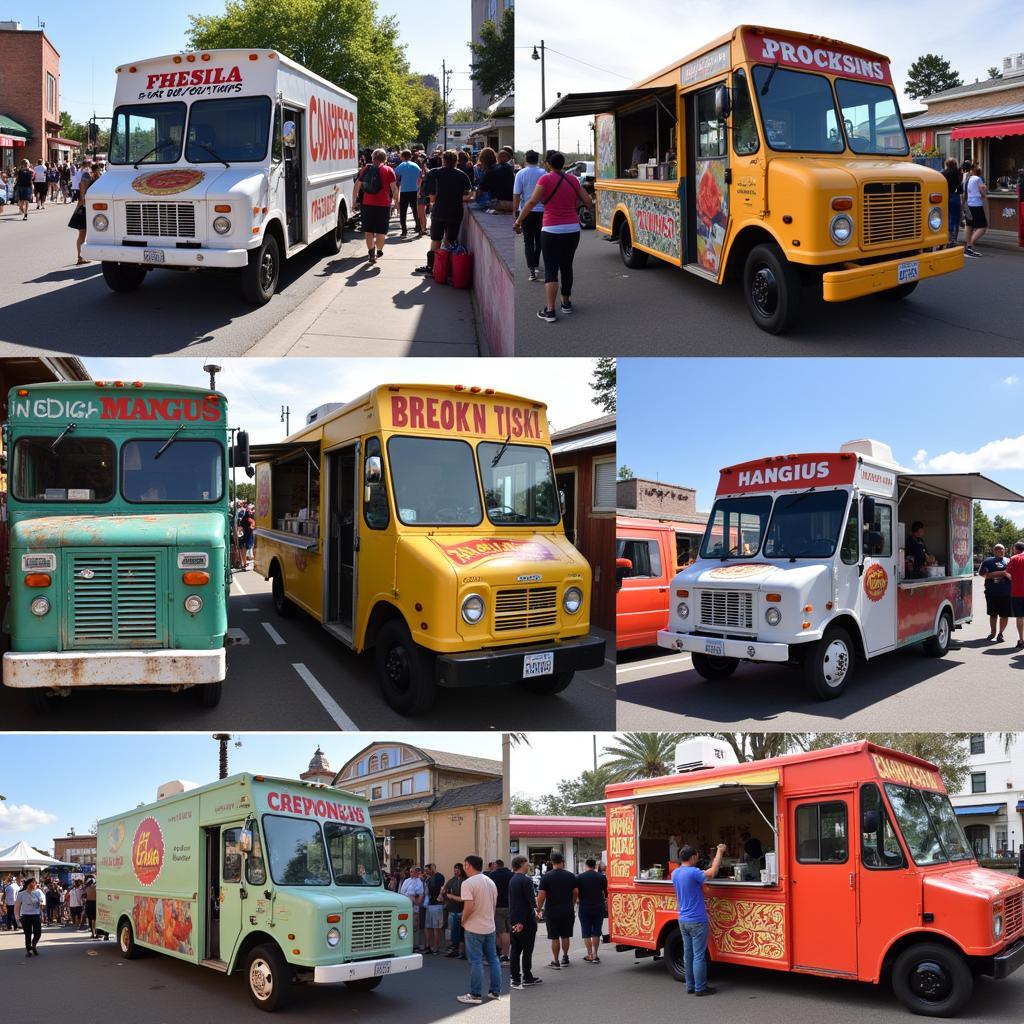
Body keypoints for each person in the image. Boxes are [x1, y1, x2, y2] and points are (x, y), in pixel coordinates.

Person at [513, 151, 593, 323]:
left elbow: (532, 202)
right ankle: (566, 303)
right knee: (566, 266)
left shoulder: (545, 179)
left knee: (551, 269)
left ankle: (550, 311)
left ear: (548, 164)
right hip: (572, 229)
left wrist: (518, 221)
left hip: (551, 230)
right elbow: (588, 202)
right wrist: (573, 205)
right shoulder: (573, 180)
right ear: (563, 164)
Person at [672, 842, 727, 996]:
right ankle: (700, 988)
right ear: (694, 857)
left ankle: (690, 986)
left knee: (687, 955)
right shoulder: (693, 872)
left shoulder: (676, 873)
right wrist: (720, 852)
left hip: (682, 919)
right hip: (697, 920)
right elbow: (713, 872)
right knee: (698, 956)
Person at [414, 150, 472, 276]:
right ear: (456, 160)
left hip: (439, 211)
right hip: (455, 211)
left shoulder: (435, 173)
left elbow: (431, 195)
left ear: (443, 160)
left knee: (436, 239)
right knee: (450, 240)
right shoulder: (462, 175)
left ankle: (432, 266)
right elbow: (468, 194)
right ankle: (449, 268)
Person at [456, 855, 501, 1005]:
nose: (463, 868)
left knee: (476, 961)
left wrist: (462, 921)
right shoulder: (490, 881)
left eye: (464, 865)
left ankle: (475, 994)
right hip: (489, 926)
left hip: (474, 927)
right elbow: (493, 906)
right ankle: (495, 991)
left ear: (468, 865)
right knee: (493, 959)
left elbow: (468, 906)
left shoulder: (468, 883)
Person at [357, 148, 399, 266]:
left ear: (373, 158)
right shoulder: (389, 170)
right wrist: (396, 202)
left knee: (369, 231)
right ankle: (379, 251)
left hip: (367, 204)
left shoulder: (366, 168)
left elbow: (357, 185)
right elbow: (394, 189)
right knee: (381, 231)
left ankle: (371, 252)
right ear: (385, 158)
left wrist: (354, 201)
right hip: (383, 205)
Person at [536, 851, 577, 969]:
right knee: (565, 935)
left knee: (554, 937)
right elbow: (575, 893)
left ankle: (556, 961)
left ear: (551, 862)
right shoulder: (570, 876)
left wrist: (538, 909)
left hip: (552, 911)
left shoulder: (546, 877)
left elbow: (541, 896)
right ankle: (565, 957)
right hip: (567, 910)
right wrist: (572, 903)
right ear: (562, 861)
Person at [508, 855, 542, 989]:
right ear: (522, 864)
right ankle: (527, 976)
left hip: (514, 918)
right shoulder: (525, 880)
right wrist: (535, 914)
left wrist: (515, 921)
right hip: (525, 921)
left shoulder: (513, 880)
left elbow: (515, 903)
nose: (528, 866)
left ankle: (515, 977)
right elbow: (529, 902)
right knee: (527, 950)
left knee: (515, 950)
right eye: (527, 864)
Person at [513, 150, 546, 282]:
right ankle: (536, 264)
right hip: (542, 211)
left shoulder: (520, 173)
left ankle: (531, 269)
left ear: (526, 159)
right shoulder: (544, 173)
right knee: (539, 240)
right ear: (538, 159)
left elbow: (516, 194)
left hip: (525, 211)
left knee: (528, 241)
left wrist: (515, 212)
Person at [575, 858, 607, 964]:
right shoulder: (601, 877)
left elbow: (577, 893)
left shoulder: (580, 877)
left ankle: (589, 955)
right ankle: (596, 954)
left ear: (586, 865)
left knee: (586, 932)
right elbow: (605, 893)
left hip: (584, 908)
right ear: (595, 865)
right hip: (598, 907)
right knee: (596, 932)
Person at [980, 542, 1012, 642]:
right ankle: (992, 632)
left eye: (1001, 549)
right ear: (994, 551)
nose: (999, 550)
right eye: (997, 549)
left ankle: (1000, 633)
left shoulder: (1010, 561)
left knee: (1004, 615)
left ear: (1004, 550)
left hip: (1006, 593)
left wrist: (995, 574)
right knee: (993, 614)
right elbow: (985, 575)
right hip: (991, 593)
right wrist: (1003, 573)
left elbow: (1013, 576)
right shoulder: (988, 561)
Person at [70, 162, 99, 265]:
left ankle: (82, 256)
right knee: (82, 233)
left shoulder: (93, 176)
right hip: (83, 208)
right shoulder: (87, 175)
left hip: (87, 207)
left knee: (84, 233)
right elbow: (83, 190)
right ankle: (80, 257)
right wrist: (83, 202)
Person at [488, 858, 513, 961]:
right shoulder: (512, 874)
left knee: (501, 932)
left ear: (496, 865)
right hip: (511, 906)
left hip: (498, 907)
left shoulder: (492, 876)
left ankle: (505, 954)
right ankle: (506, 952)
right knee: (508, 931)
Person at [394, 149, 422, 238]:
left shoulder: (401, 165)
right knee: (415, 210)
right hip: (414, 190)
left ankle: (404, 230)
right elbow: (420, 177)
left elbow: (396, 176)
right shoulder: (416, 165)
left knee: (403, 211)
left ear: (403, 156)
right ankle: (418, 226)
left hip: (404, 191)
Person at [15, 877, 44, 956]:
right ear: (27, 885)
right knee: (28, 933)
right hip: (25, 915)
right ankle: (29, 950)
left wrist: (40, 903)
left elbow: (42, 902)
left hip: (36, 914)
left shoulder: (38, 892)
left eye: (34, 883)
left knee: (38, 933)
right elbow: (17, 906)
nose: (34, 885)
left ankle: (33, 945)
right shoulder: (21, 894)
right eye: (32, 883)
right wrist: (17, 918)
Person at [964, 161, 988, 257]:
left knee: (969, 225)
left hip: (967, 204)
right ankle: (970, 246)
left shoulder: (966, 178)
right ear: (973, 168)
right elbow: (983, 194)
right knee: (983, 226)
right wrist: (984, 190)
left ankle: (968, 246)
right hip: (976, 204)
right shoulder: (977, 179)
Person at [399, 865, 425, 951]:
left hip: (415, 906)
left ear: (417, 873)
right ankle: (406, 943)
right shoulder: (406, 881)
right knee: (406, 925)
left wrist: (416, 901)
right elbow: (402, 892)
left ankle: (415, 944)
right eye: (410, 872)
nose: (411, 873)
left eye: (413, 872)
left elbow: (421, 894)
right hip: (406, 905)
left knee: (415, 925)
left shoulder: (419, 882)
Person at [444, 863, 467, 958]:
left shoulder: (465, 881)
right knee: (453, 931)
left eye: (458, 870)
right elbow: (445, 891)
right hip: (452, 909)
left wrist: (451, 896)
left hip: (462, 910)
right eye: (455, 869)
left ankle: (463, 952)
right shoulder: (451, 881)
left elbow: (464, 898)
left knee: (462, 932)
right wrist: (443, 893)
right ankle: (454, 950)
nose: (456, 871)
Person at [1006, 540, 1024, 650]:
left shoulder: (1014, 558)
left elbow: (1007, 573)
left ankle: (1021, 640)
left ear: (1015, 549)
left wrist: (1014, 580)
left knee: (1020, 617)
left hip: (1017, 592)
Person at [424, 863, 445, 954]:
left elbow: (435, 887)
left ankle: (436, 947)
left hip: (437, 905)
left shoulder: (439, 877)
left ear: (432, 868)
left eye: (427, 870)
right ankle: (428, 946)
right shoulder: (428, 879)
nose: (426, 872)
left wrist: (427, 881)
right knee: (428, 926)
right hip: (429, 905)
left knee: (436, 928)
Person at [942, 157, 963, 248]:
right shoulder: (958, 173)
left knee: (948, 217)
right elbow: (960, 188)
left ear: (946, 164)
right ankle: (954, 239)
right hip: (955, 196)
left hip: (946, 196)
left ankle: (948, 238)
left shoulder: (943, 173)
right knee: (956, 218)